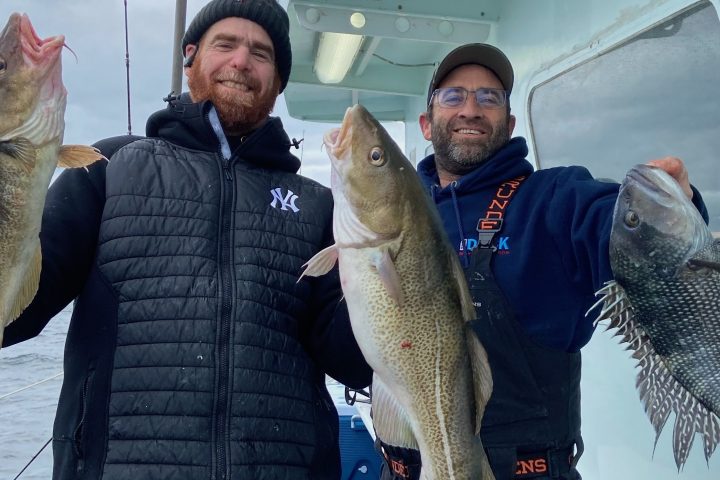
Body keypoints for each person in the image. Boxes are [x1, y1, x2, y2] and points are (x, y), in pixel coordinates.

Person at [2, 1, 371, 479]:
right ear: (190, 57)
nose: (241, 61)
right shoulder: (106, 167)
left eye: (261, 53)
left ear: (278, 81)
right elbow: (18, 312)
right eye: (226, 44)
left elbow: (355, 362)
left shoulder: (320, 206)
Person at [374, 43, 708, 480]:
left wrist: (666, 214)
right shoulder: (393, 217)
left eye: (489, 98)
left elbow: (614, 228)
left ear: (509, 123)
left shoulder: (553, 199)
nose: (471, 109)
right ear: (426, 122)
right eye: (453, 96)